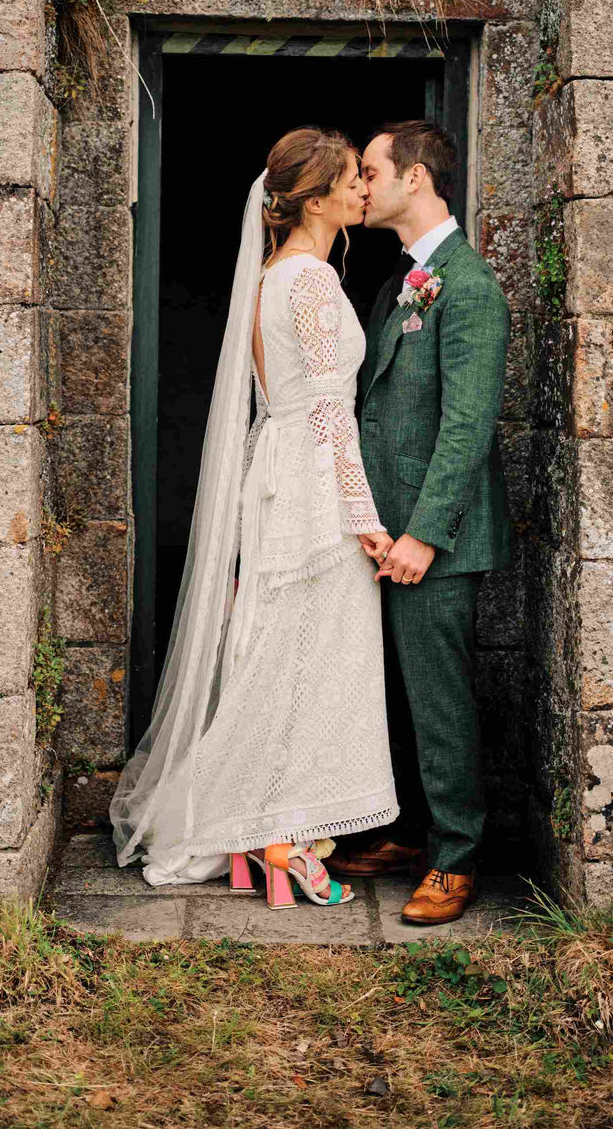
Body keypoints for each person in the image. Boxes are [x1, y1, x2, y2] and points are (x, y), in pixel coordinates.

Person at [110, 127, 398, 908]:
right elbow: (330, 412)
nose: (365, 190)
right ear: (315, 198)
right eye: (352, 180)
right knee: (309, 659)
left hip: (281, 468)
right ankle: (282, 831)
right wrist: (364, 516)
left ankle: (282, 827)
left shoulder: (275, 276)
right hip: (312, 481)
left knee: (287, 654)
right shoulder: (306, 282)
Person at [327, 120, 511, 925]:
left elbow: (469, 426)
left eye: (371, 170)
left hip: (433, 538)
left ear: (417, 179)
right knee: (396, 694)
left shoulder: (467, 286)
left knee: (439, 699)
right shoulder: (399, 280)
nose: (362, 185)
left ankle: (456, 858)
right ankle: (407, 833)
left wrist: (425, 534)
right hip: (385, 530)